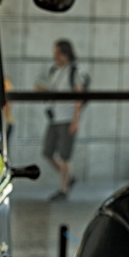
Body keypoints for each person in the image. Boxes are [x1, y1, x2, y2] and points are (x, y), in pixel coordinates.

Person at [36, 39, 88, 201]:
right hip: (55, 118)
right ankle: (69, 178)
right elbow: (55, 92)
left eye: (58, 53)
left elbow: (79, 97)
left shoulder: (74, 72)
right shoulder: (54, 71)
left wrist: (75, 120)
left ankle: (64, 189)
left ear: (66, 53)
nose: (55, 56)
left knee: (65, 156)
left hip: (67, 118)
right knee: (48, 152)